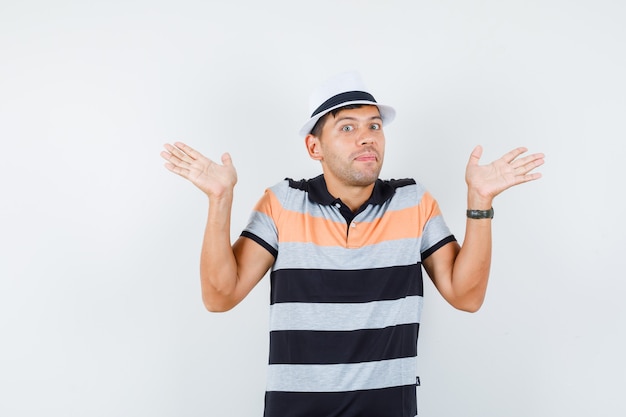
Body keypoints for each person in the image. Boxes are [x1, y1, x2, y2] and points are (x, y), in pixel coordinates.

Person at [160, 71, 544, 417]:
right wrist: (219, 198)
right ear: (315, 147)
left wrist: (479, 200)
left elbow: (467, 296)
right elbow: (219, 297)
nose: (366, 136)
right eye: (346, 127)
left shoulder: (414, 202)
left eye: (374, 125)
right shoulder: (282, 203)